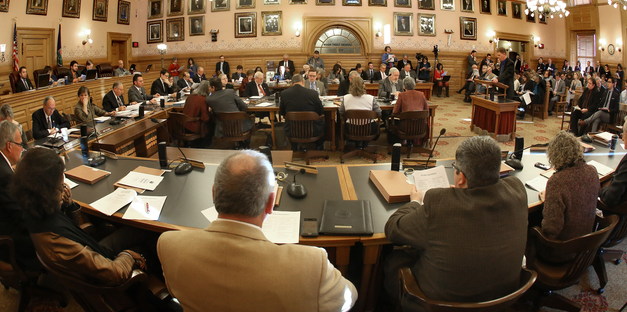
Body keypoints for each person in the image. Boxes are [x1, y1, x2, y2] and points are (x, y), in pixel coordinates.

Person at [158, 150, 356, 311]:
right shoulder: (312, 264)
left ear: (213, 193)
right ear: (271, 203)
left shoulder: (168, 245)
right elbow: (348, 298)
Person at [383, 135, 527, 307]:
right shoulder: (517, 190)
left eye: (455, 169)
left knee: (392, 260)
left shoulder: (438, 204)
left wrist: (414, 202)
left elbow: (393, 229)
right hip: (502, 299)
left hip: (438, 306)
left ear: (462, 178)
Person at [11, 148, 160, 290]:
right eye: (59, 187)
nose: (63, 189)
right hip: (110, 273)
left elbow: (72, 233)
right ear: (46, 191)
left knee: (138, 229)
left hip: (93, 251)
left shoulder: (34, 210)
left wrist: (69, 206)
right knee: (150, 236)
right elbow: (115, 274)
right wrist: (127, 255)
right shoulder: (55, 240)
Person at [537, 131, 600, 263]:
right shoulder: (592, 171)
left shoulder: (557, 182)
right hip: (585, 243)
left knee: (531, 226)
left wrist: (547, 202)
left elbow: (550, 230)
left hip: (562, 250)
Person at [0, 121, 39, 269]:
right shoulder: (3, 176)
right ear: (9, 146)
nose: (22, 148)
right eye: (20, 145)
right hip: (13, 242)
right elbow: (21, 216)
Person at [280, 74, 325, 149]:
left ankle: (294, 147)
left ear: (292, 83)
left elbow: (282, 112)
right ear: (303, 82)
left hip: (292, 129)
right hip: (312, 129)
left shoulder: (284, 94)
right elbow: (321, 111)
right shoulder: (313, 93)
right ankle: (318, 146)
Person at [206, 78, 253, 143]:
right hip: (240, 126)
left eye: (209, 87)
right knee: (251, 117)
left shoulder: (209, 99)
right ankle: (246, 144)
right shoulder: (230, 92)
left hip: (223, 128)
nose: (209, 89)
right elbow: (244, 107)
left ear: (213, 87)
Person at [601, 119, 627, 206]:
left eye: (624, 134)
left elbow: (610, 199)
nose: (622, 138)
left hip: (617, 211)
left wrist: (602, 188)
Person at [183, 81, 213, 147]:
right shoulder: (203, 100)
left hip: (183, 125)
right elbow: (205, 118)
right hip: (194, 127)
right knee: (211, 125)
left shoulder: (191, 96)